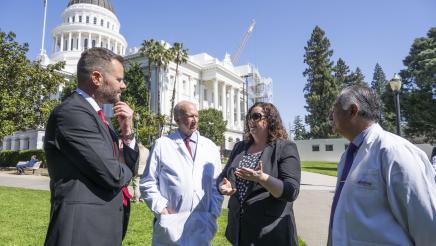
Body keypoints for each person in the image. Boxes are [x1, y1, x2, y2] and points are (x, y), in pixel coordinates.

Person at [44, 47, 139, 246]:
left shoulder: (96, 117)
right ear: (97, 78)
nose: (124, 85)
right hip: (81, 230)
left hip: (101, 227)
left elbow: (124, 166)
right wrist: (124, 167)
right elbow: (114, 175)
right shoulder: (72, 114)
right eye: (119, 79)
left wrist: (127, 132)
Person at [328, 85, 436, 245]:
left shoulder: (394, 151)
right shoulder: (348, 156)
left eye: (335, 108)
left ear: (352, 110)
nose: (331, 115)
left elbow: (427, 223)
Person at [140, 101, 223, 245]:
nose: (195, 120)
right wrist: (162, 210)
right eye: (190, 116)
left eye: (197, 116)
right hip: (171, 220)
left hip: (202, 221)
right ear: (177, 119)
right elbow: (148, 182)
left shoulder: (210, 147)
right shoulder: (162, 144)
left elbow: (217, 184)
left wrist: (213, 212)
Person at [217, 102, 301, 245]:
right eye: (249, 117)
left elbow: (291, 191)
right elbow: (224, 175)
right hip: (240, 229)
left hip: (270, 231)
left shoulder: (285, 147)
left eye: (256, 116)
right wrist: (223, 185)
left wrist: (262, 178)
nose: (251, 121)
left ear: (270, 120)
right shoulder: (240, 147)